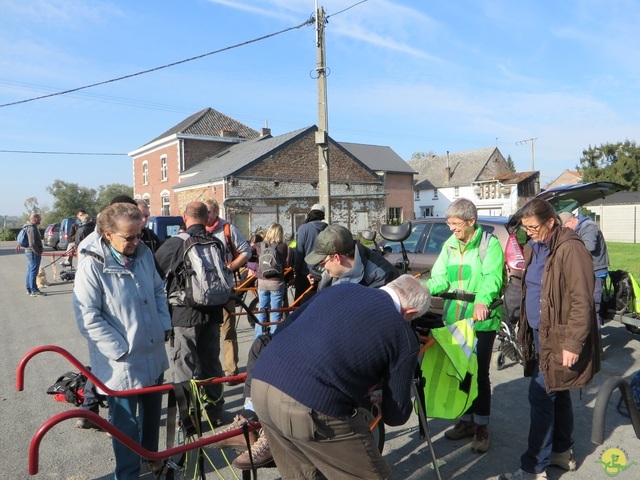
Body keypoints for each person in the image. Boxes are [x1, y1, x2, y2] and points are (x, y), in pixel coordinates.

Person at [219, 224, 395, 469]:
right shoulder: (332, 272)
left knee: (298, 367)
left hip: (349, 341)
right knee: (263, 343)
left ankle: (274, 434)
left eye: (323, 262)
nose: (321, 267)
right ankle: (249, 417)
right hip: (324, 330)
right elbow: (313, 306)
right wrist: (284, 335)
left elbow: (376, 323)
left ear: (337, 257)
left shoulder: (379, 275)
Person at [251, 275, 430, 479]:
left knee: (302, 474)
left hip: (262, 382)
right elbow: (396, 415)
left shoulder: (340, 289)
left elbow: (283, 329)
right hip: (309, 403)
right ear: (411, 312)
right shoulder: (403, 335)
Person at [500, 199, 600, 480]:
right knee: (558, 390)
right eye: (526, 227)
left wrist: (573, 343)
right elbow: (529, 285)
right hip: (538, 331)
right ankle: (561, 453)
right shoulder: (534, 247)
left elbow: (583, 301)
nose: (528, 232)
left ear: (551, 223)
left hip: (560, 337)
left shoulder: (571, 248)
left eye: (533, 227)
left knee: (541, 393)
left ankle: (535, 468)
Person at [73, 202, 171, 479]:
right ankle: (127, 474)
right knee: (126, 426)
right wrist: (120, 349)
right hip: (123, 362)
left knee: (152, 418)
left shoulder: (143, 254)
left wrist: (163, 326)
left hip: (152, 351)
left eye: (139, 234)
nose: (135, 241)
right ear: (108, 235)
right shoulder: (92, 264)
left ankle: (150, 463)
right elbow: (87, 316)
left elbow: (157, 291)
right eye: (129, 237)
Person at [426, 198, 504, 453]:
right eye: (449, 223)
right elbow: (438, 277)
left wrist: (482, 302)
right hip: (455, 319)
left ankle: (482, 426)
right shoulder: (449, 245)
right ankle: (466, 421)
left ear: (471, 221)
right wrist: (419, 290)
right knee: (461, 371)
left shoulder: (489, 245)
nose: (451, 228)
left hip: (481, 321)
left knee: (479, 373)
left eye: (456, 224)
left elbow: (492, 278)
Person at [155, 201, 228, 425]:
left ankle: (188, 417)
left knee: (183, 366)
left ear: (184, 219)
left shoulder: (175, 244)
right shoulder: (215, 242)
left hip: (184, 314)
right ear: (208, 219)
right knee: (211, 363)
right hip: (213, 312)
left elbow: (155, 273)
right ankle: (215, 411)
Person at [204, 198, 251, 380]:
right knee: (208, 330)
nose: (205, 216)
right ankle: (211, 369)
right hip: (205, 288)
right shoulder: (198, 231)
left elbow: (246, 251)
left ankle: (230, 370)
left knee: (227, 328)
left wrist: (230, 267)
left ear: (216, 212)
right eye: (203, 212)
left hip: (225, 287)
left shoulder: (227, 229)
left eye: (208, 212)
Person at [559, 212, 609, 326]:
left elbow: (589, 247)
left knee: (593, 307)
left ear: (570, 221)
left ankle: (594, 341)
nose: (564, 231)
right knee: (583, 305)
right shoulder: (577, 229)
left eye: (564, 227)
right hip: (584, 271)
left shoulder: (589, 226)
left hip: (595, 272)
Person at [253, 223, 291, 339]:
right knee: (275, 311)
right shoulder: (283, 246)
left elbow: (250, 255)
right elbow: (285, 262)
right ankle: (274, 338)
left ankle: (258, 337)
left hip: (262, 282)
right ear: (280, 233)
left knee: (262, 309)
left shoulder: (259, 245)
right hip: (276, 282)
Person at [293, 204, 327, 300]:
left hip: (305, 273)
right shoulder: (328, 229)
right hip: (323, 273)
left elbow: (299, 252)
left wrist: (296, 271)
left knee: (301, 304)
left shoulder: (304, 228)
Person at [22, 212, 47, 297]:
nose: (40, 220)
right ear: (35, 218)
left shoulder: (30, 227)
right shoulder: (31, 228)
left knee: (30, 271)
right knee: (33, 272)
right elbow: (32, 243)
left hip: (30, 252)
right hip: (33, 253)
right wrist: (38, 252)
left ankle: (29, 289)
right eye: (39, 218)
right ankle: (34, 290)